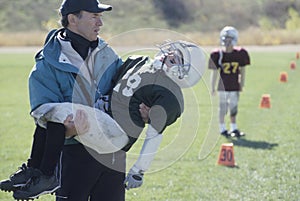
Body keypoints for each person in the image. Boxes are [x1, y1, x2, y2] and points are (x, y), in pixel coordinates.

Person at [26, 40, 206, 192]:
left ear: (185, 72)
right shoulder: (140, 61)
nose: (169, 55)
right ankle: (35, 170)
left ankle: (47, 175)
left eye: (177, 57)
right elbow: (109, 84)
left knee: (56, 111)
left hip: (116, 134)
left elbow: (154, 134)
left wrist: (139, 170)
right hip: (101, 115)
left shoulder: (170, 96)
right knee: (52, 115)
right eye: (173, 52)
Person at [0, 0, 127, 200]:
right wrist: (69, 131)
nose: (100, 23)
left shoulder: (107, 53)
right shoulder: (46, 65)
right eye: (94, 16)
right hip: (73, 156)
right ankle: (39, 173)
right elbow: (45, 115)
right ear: (72, 19)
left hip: (113, 155)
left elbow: (125, 87)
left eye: (100, 17)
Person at [208, 26, 250, 138]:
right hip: (222, 86)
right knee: (223, 107)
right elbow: (214, 72)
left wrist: (242, 84)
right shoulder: (218, 54)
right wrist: (212, 87)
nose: (227, 41)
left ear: (234, 39)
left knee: (234, 107)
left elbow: (242, 70)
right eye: (225, 38)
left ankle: (233, 127)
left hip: (234, 85)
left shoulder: (240, 53)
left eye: (229, 38)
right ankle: (222, 128)